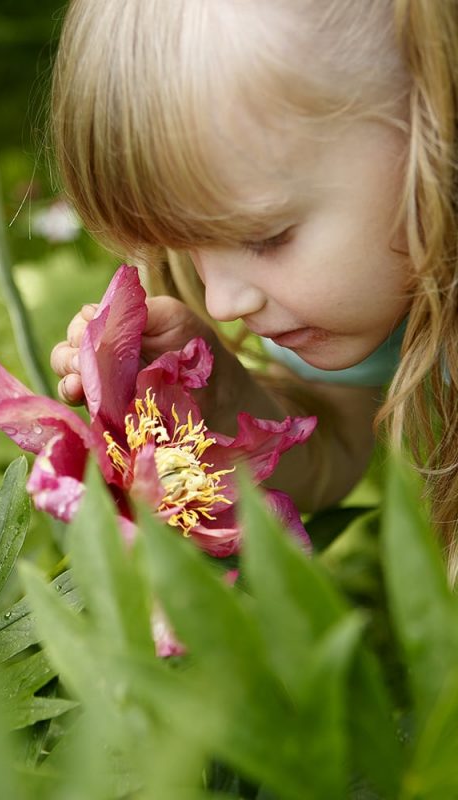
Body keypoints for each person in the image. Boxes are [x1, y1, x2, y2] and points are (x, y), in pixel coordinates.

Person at [47, 0, 458, 577]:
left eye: (265, 238)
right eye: (188, 246)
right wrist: (219, 398)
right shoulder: (354, 295)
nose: (223, 303)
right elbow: (330, 454)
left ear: (436, 114)